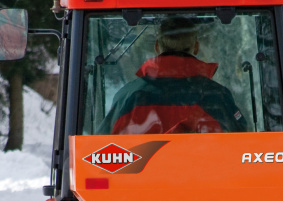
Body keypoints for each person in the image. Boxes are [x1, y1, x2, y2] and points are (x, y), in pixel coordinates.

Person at [100, 16, 248, 135]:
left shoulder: (129, 97)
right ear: (196, 47)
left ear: (157, 47)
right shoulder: (217, 96)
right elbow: (239, 146)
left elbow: (101, 151)